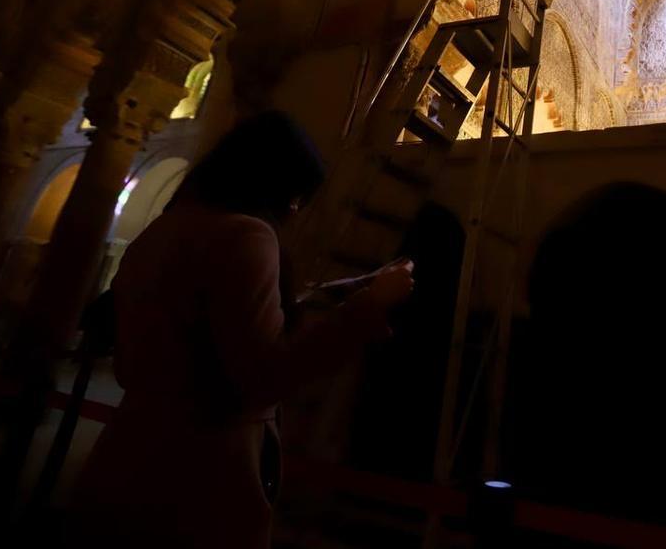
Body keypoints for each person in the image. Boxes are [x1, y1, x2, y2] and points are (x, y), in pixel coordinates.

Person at [65, 112, 414, 548]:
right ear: (275, 182)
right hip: (198, 475)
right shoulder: (247, 235)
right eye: (295, 197)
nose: (293, 211)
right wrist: (371, 305)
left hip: (129, 453)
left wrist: (335, 294)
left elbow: (207, 320)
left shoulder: (167, 227)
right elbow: (262, 374)